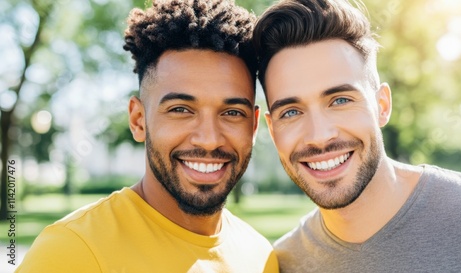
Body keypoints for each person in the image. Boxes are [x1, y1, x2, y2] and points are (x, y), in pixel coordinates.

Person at [17, 1, 279, 272]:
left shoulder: (262, 256)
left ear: (254, 125)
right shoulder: (71, 252)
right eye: (180, 109)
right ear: (138, 120)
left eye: (232, 113)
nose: (209, 139)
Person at [252, 0, 461, 272]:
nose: (320, 136)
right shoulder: (286, 262)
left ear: (382, 106)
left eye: (340, 100)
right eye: (291, 112)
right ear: (272, 130)